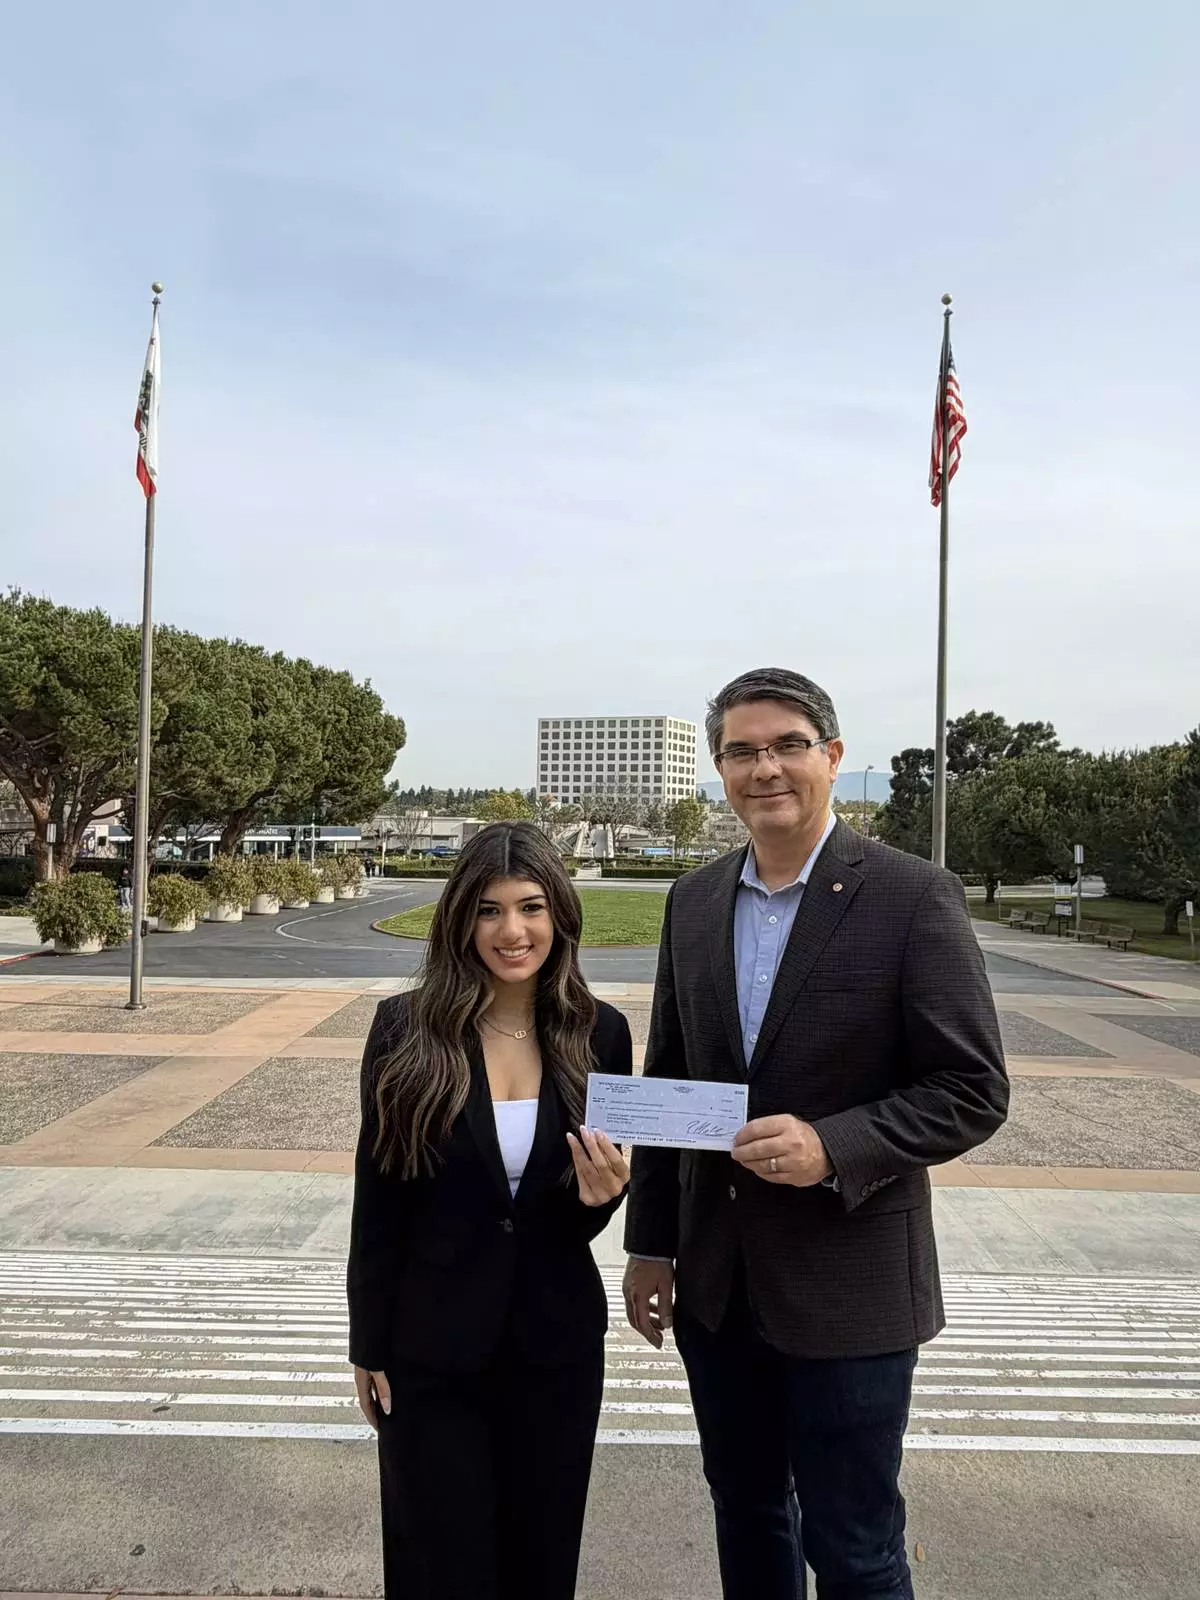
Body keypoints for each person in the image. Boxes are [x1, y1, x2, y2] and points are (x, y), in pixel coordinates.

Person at [623, 667, 1009, 1600]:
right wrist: (650, 1247)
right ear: (720, 770)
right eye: (741, 752)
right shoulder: (694, 900)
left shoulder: (912, 896)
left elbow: (972, 1088)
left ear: (831, 757)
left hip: (851, 1289)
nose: (766, 769)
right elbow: (670, 1079)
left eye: (788, 746)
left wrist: (834, 1146)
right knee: (747, 1513)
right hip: (718, 1288)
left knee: (856, 1548)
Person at [347, 821, 633, 1600]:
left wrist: (603, 1197)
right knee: (440, 1566)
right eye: (489, 910)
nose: (512, 931)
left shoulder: (601, 1033)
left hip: (555, 1352)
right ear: (461, 920)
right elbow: (380, 1198)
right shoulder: (404, 1029)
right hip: (429, 1350)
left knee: (541, 1562)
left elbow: (569, 1222)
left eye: (531, 907)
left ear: (559, 915)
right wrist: (367, 1344)